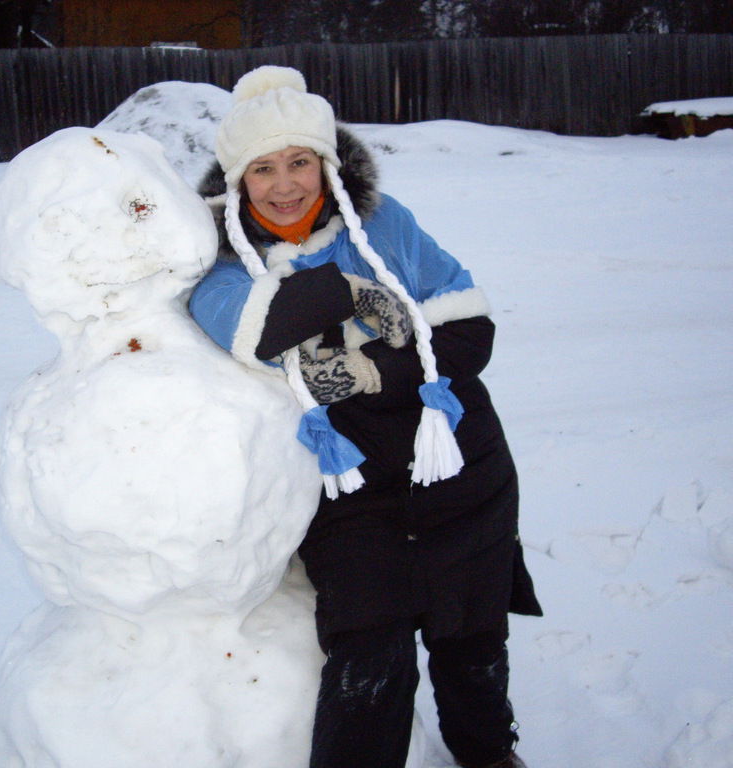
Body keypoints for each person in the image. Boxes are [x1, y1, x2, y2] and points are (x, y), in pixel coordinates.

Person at [188, 66, 542, 768]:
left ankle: (490, 758)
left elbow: (471, 331)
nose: (285, 185)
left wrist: (369, 366)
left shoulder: (383, 222)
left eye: (300, 162)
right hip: (349, 491)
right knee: (368, 658)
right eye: (263, 168)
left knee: (472, 639)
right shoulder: (221, 257)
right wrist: (355, 295)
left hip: (458, 460)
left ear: (327, 162)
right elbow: (260, 329)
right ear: (237, 177)